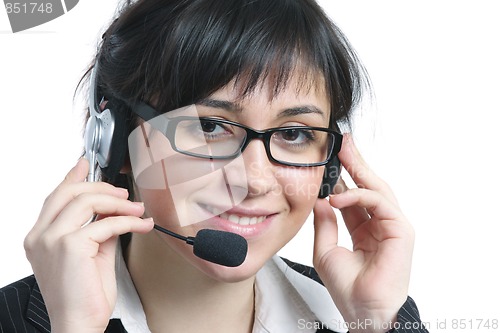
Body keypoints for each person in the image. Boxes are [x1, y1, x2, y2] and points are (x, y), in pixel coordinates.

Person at [0, 0, 429, 332]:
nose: (256, 180)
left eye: (294, 133)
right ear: (116, 142)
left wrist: (377, 320)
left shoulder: (360, 317)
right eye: (210, 127)